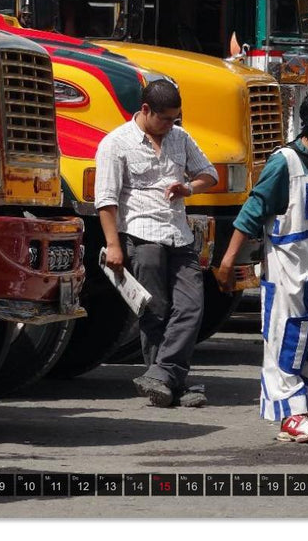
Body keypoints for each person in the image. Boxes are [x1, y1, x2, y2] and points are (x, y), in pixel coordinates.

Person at [216, 85, 308, 442]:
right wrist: (228, 261)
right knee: (287, 340)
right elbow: (253, 212)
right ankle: (291, 416)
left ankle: (307, 409)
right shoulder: (285, 163)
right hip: (289, 272)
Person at [94, 79, 219, 408]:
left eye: (174, 119)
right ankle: (170, 384)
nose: (169, 126)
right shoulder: (116, 143)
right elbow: (105, 201)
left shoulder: (180, 137)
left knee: (191, 307)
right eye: (164, 119)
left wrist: (188, 188)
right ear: (146, 110)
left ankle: (161, 378)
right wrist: (114, 245)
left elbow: (210, 174)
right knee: (155, 311)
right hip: (141, 235)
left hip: (180, 234)